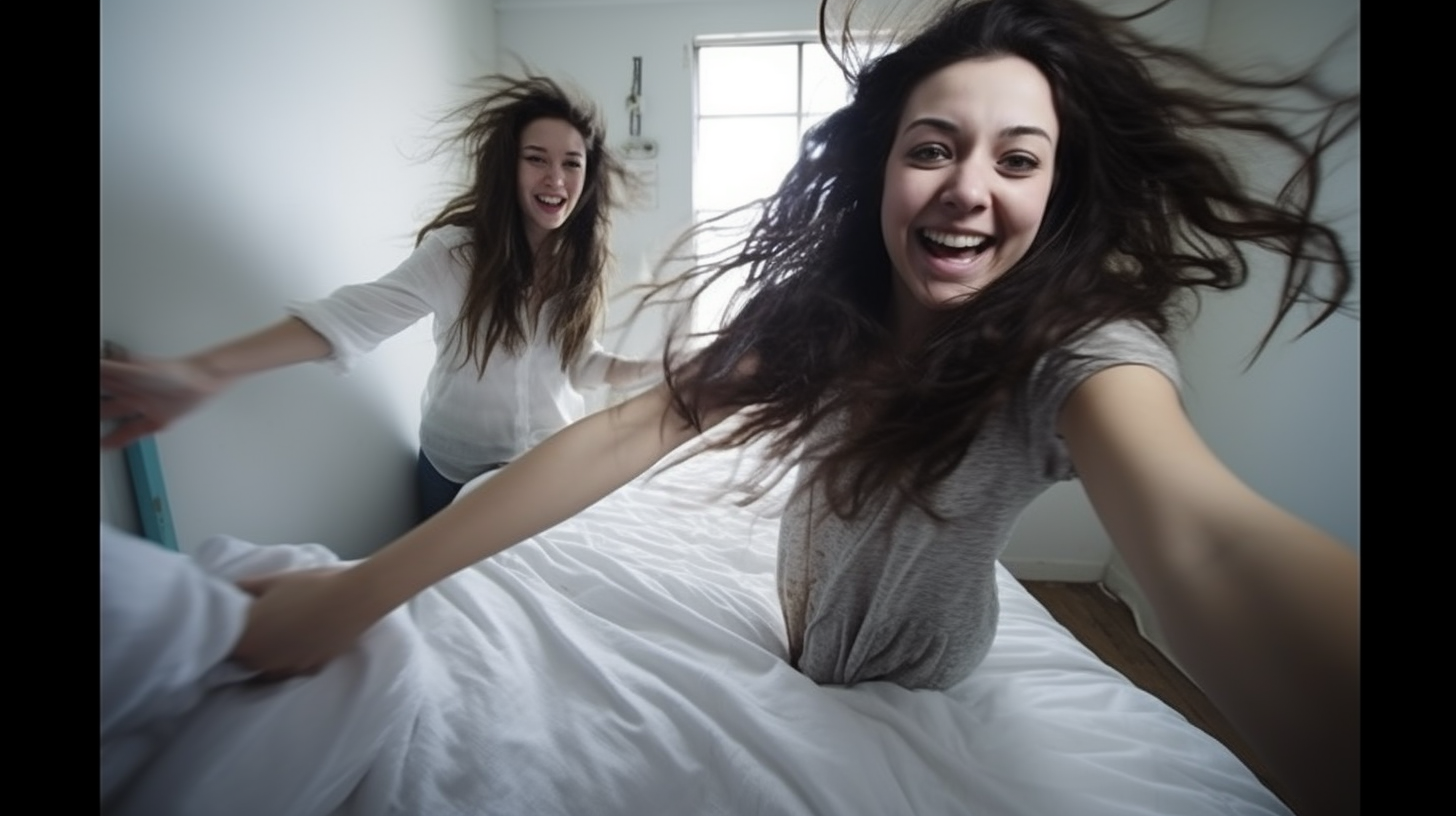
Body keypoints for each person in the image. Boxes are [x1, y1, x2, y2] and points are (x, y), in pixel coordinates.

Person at [158, 1, 1360, 813]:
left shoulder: (1073, 349)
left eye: (1018, 159)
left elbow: (1206, 536)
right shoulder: (819, 321)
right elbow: (630, 423)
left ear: (1058, 187)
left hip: (916, 667)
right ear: (884, 165)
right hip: (750, 594)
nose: (969, 187)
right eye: (933, 146)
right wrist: (359, 591)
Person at [99, 73, 662, 521]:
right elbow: (348, 318)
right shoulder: (456, 255)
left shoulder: (583, 265)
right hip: (455, 469)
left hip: (545, 467)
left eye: (572, 163)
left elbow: (580, 364)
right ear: (507, 166)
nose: (556, 178)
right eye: (536, 157)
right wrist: (205, 370)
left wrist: (655, 368)